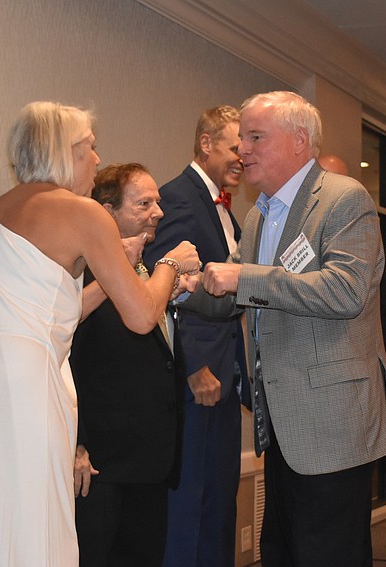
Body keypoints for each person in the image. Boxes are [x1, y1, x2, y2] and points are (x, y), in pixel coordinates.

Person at [0, 102, 199, 567]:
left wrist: (115, 271)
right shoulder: (83, 212)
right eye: (90, 147)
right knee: (33, 530)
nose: (98, 159)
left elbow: (51, 314)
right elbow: (143, 316)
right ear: (63, 152)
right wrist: (169, 264)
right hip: (12, 384)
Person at [195, 91, 386, 566]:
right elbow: (241, 297)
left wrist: (243, 277)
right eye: (241, 138)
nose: (242, 149)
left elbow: (345, 292)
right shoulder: (258, 216)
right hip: (281, 428)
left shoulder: (345, 199)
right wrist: (182, 288)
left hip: (332, 428)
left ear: (299, 141)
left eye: (255, 137)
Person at [143, 105, 246, 567]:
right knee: (189, 512)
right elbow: (162, 291)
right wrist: (191, 367)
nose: (243, 157)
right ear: (206, 144)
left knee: (219, 508)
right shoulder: (180, 199)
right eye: (235, 147)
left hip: (224, 377)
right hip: (197, 381)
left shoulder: (221, 205)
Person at [69, 163, 186, 566]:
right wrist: (75, 443)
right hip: (100, 466)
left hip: (150, 462)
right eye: (144, 204)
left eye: (158, 202)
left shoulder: (145, 270)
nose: (158, 212)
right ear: (108, 212)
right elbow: (62, 358)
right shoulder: (78, 274)